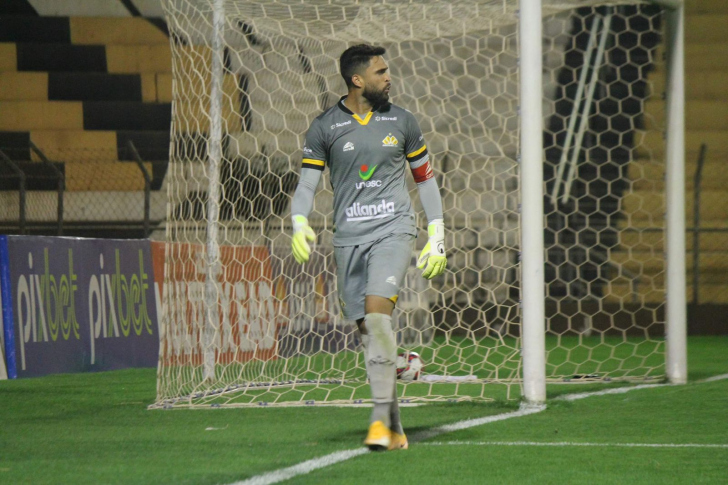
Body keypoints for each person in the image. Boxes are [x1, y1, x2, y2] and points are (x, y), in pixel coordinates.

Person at [289, 44, 446, 451]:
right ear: (357, 80)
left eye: (387, 70)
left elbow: (425, 180)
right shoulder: (325, 127)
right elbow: (307, 183)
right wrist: (299, 220)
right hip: (348, 238)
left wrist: (437, 232)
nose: (388, 77)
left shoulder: (403, 121)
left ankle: (378, 424)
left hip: (393, 230)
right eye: (380, 72)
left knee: (378, 321)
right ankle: (394, 416)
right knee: (370, 336)